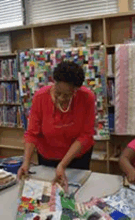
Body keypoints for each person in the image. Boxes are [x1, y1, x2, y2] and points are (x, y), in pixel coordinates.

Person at [17, 61, 95, 191]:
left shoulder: (87, 98)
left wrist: (62, 165)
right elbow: (32, 134)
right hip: (48, 156)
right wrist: (26, 163)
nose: (61, 98)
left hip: (77, 157)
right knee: (49, 192)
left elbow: (86, 135)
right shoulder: (40, 97)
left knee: (76, 192)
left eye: (67, 95)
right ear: (54, 83)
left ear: (76, 90)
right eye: (58, 92)